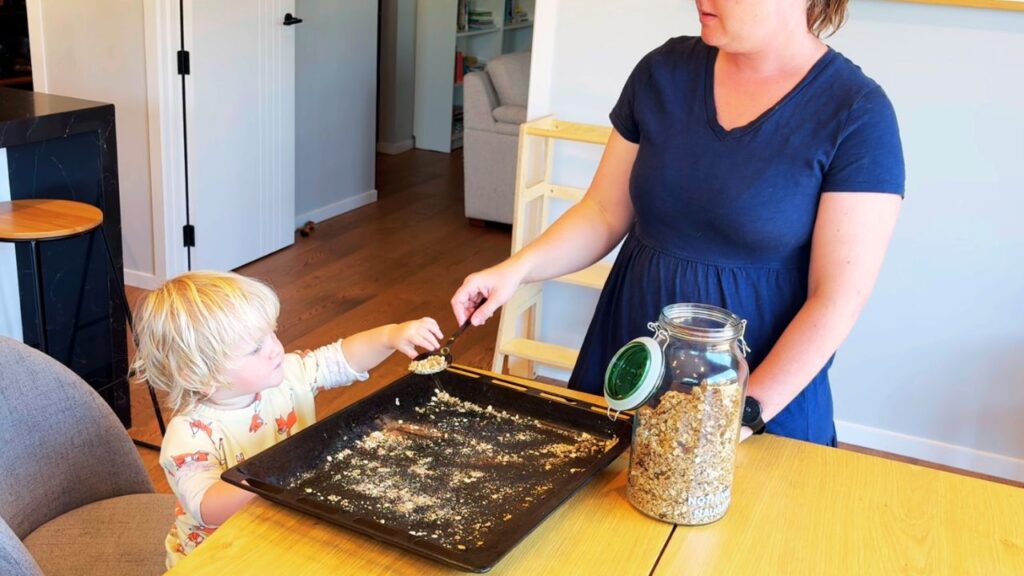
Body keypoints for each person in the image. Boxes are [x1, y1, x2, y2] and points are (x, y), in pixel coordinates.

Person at [451, 0, 904, 447]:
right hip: (631, 357)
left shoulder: (857, 112)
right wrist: (516, 269)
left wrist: (741, 413)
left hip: (759, 394)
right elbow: (603, 212)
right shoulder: (662, 71)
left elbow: (837, 301)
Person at [131, 270, 443, 567]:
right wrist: (284, 468)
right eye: (255, 348)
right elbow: (207, 508)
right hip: (220, 555)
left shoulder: (288, 377)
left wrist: (390, 335)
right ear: (200, 375)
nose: (275, 349)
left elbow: (342, 358)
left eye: (271, 334)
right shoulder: (190, 435)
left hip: (284, 525)